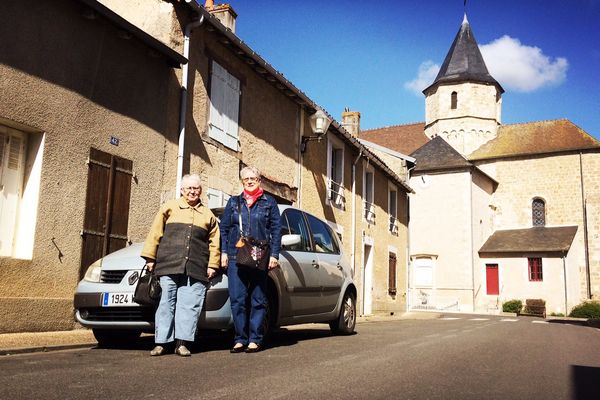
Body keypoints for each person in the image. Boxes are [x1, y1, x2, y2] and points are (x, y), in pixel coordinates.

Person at [141, 174, 220, 357]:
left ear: (201, 191)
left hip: (196, 266)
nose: (192, 191)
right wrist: (150, 258)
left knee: (189, 305)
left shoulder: (207, 214)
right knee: (165, 303)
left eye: (196, 188)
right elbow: (155, 233)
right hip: (168, 263)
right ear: (182, 190)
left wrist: (212, 265)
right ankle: (161, 343)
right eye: (189, 188)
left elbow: (215, 243)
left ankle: (182, 344)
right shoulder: (169, 207)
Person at [220, 166, 282, 353]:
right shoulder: (233, 202)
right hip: (234, 256)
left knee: (258, 298)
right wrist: (223, 252)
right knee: (237, 299)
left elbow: (276, 230)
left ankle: (255, 338)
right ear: (242, 181)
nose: (249, 181)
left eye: (253, 178)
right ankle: (240, 338)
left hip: (259, 256)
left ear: (259, 180)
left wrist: (274, 255)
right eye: (246, 178)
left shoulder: (269, 203)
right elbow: (224, 229)